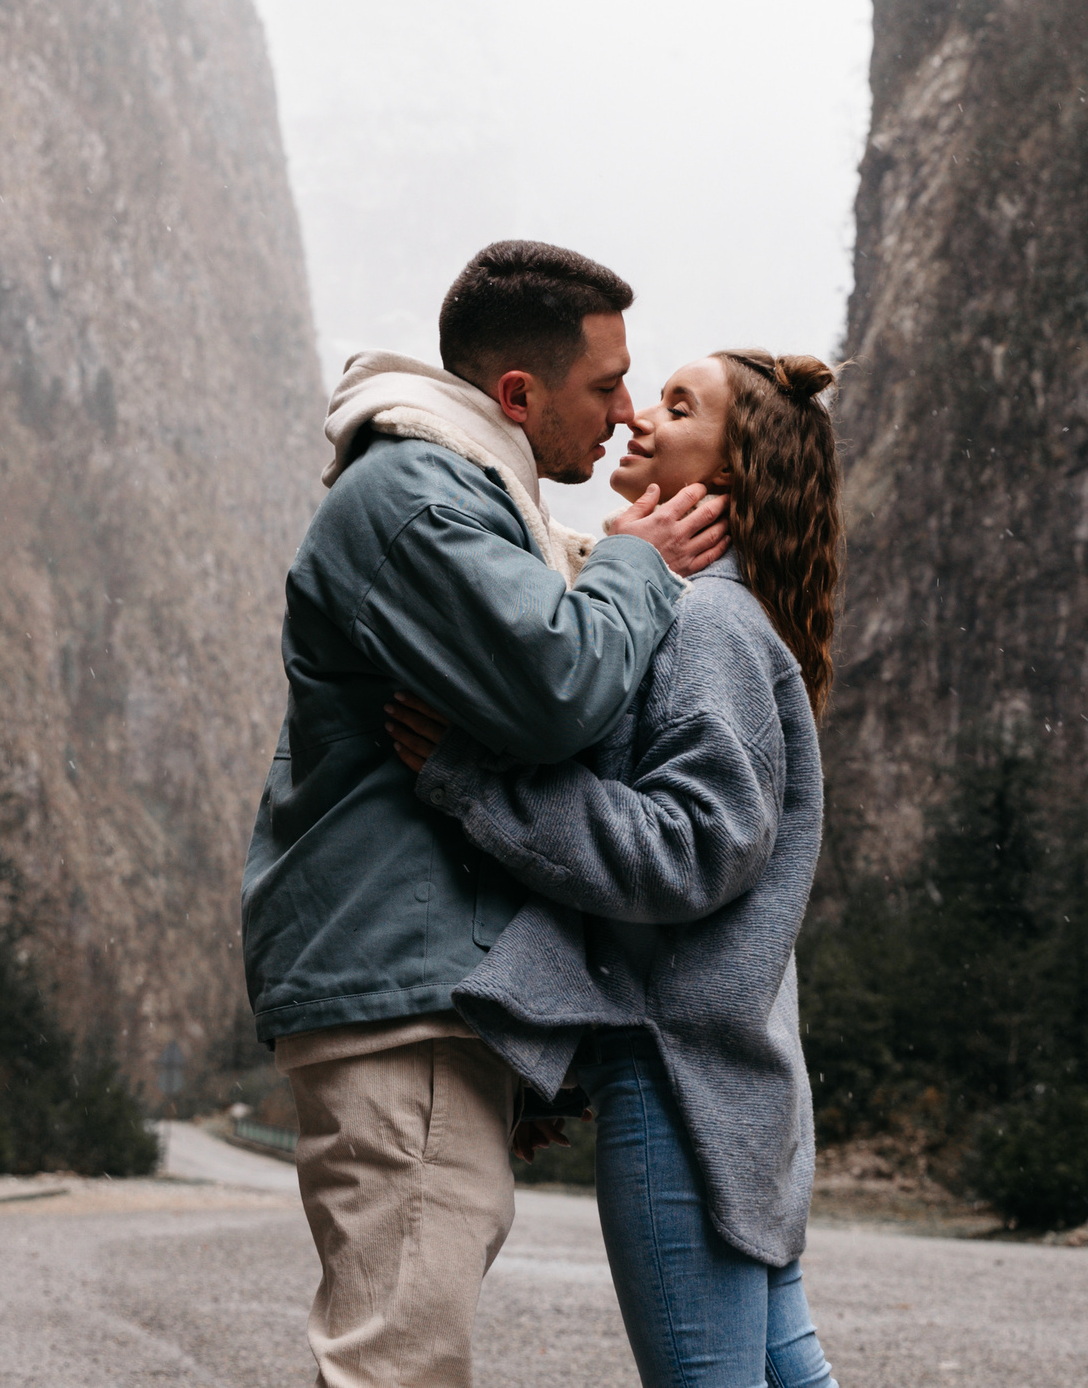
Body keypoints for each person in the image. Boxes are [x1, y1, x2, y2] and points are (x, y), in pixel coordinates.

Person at [242, 241, 730, 1388]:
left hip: (412, 985)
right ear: (517, 393)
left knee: (396, 1342)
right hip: (399, 998)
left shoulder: (460, 494)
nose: (623, 412)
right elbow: (554, 689)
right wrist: (636, 565)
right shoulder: (418, 500)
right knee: (397, 1362)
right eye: (605, 385)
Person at [388, 348, 844, 1388]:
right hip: (724, 1077)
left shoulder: (706, 623)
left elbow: (692, 848)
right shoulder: (707, 614)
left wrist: (475, 784)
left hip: (678, 1082)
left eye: (679, 409)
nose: (639, 417)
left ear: (728, 475)